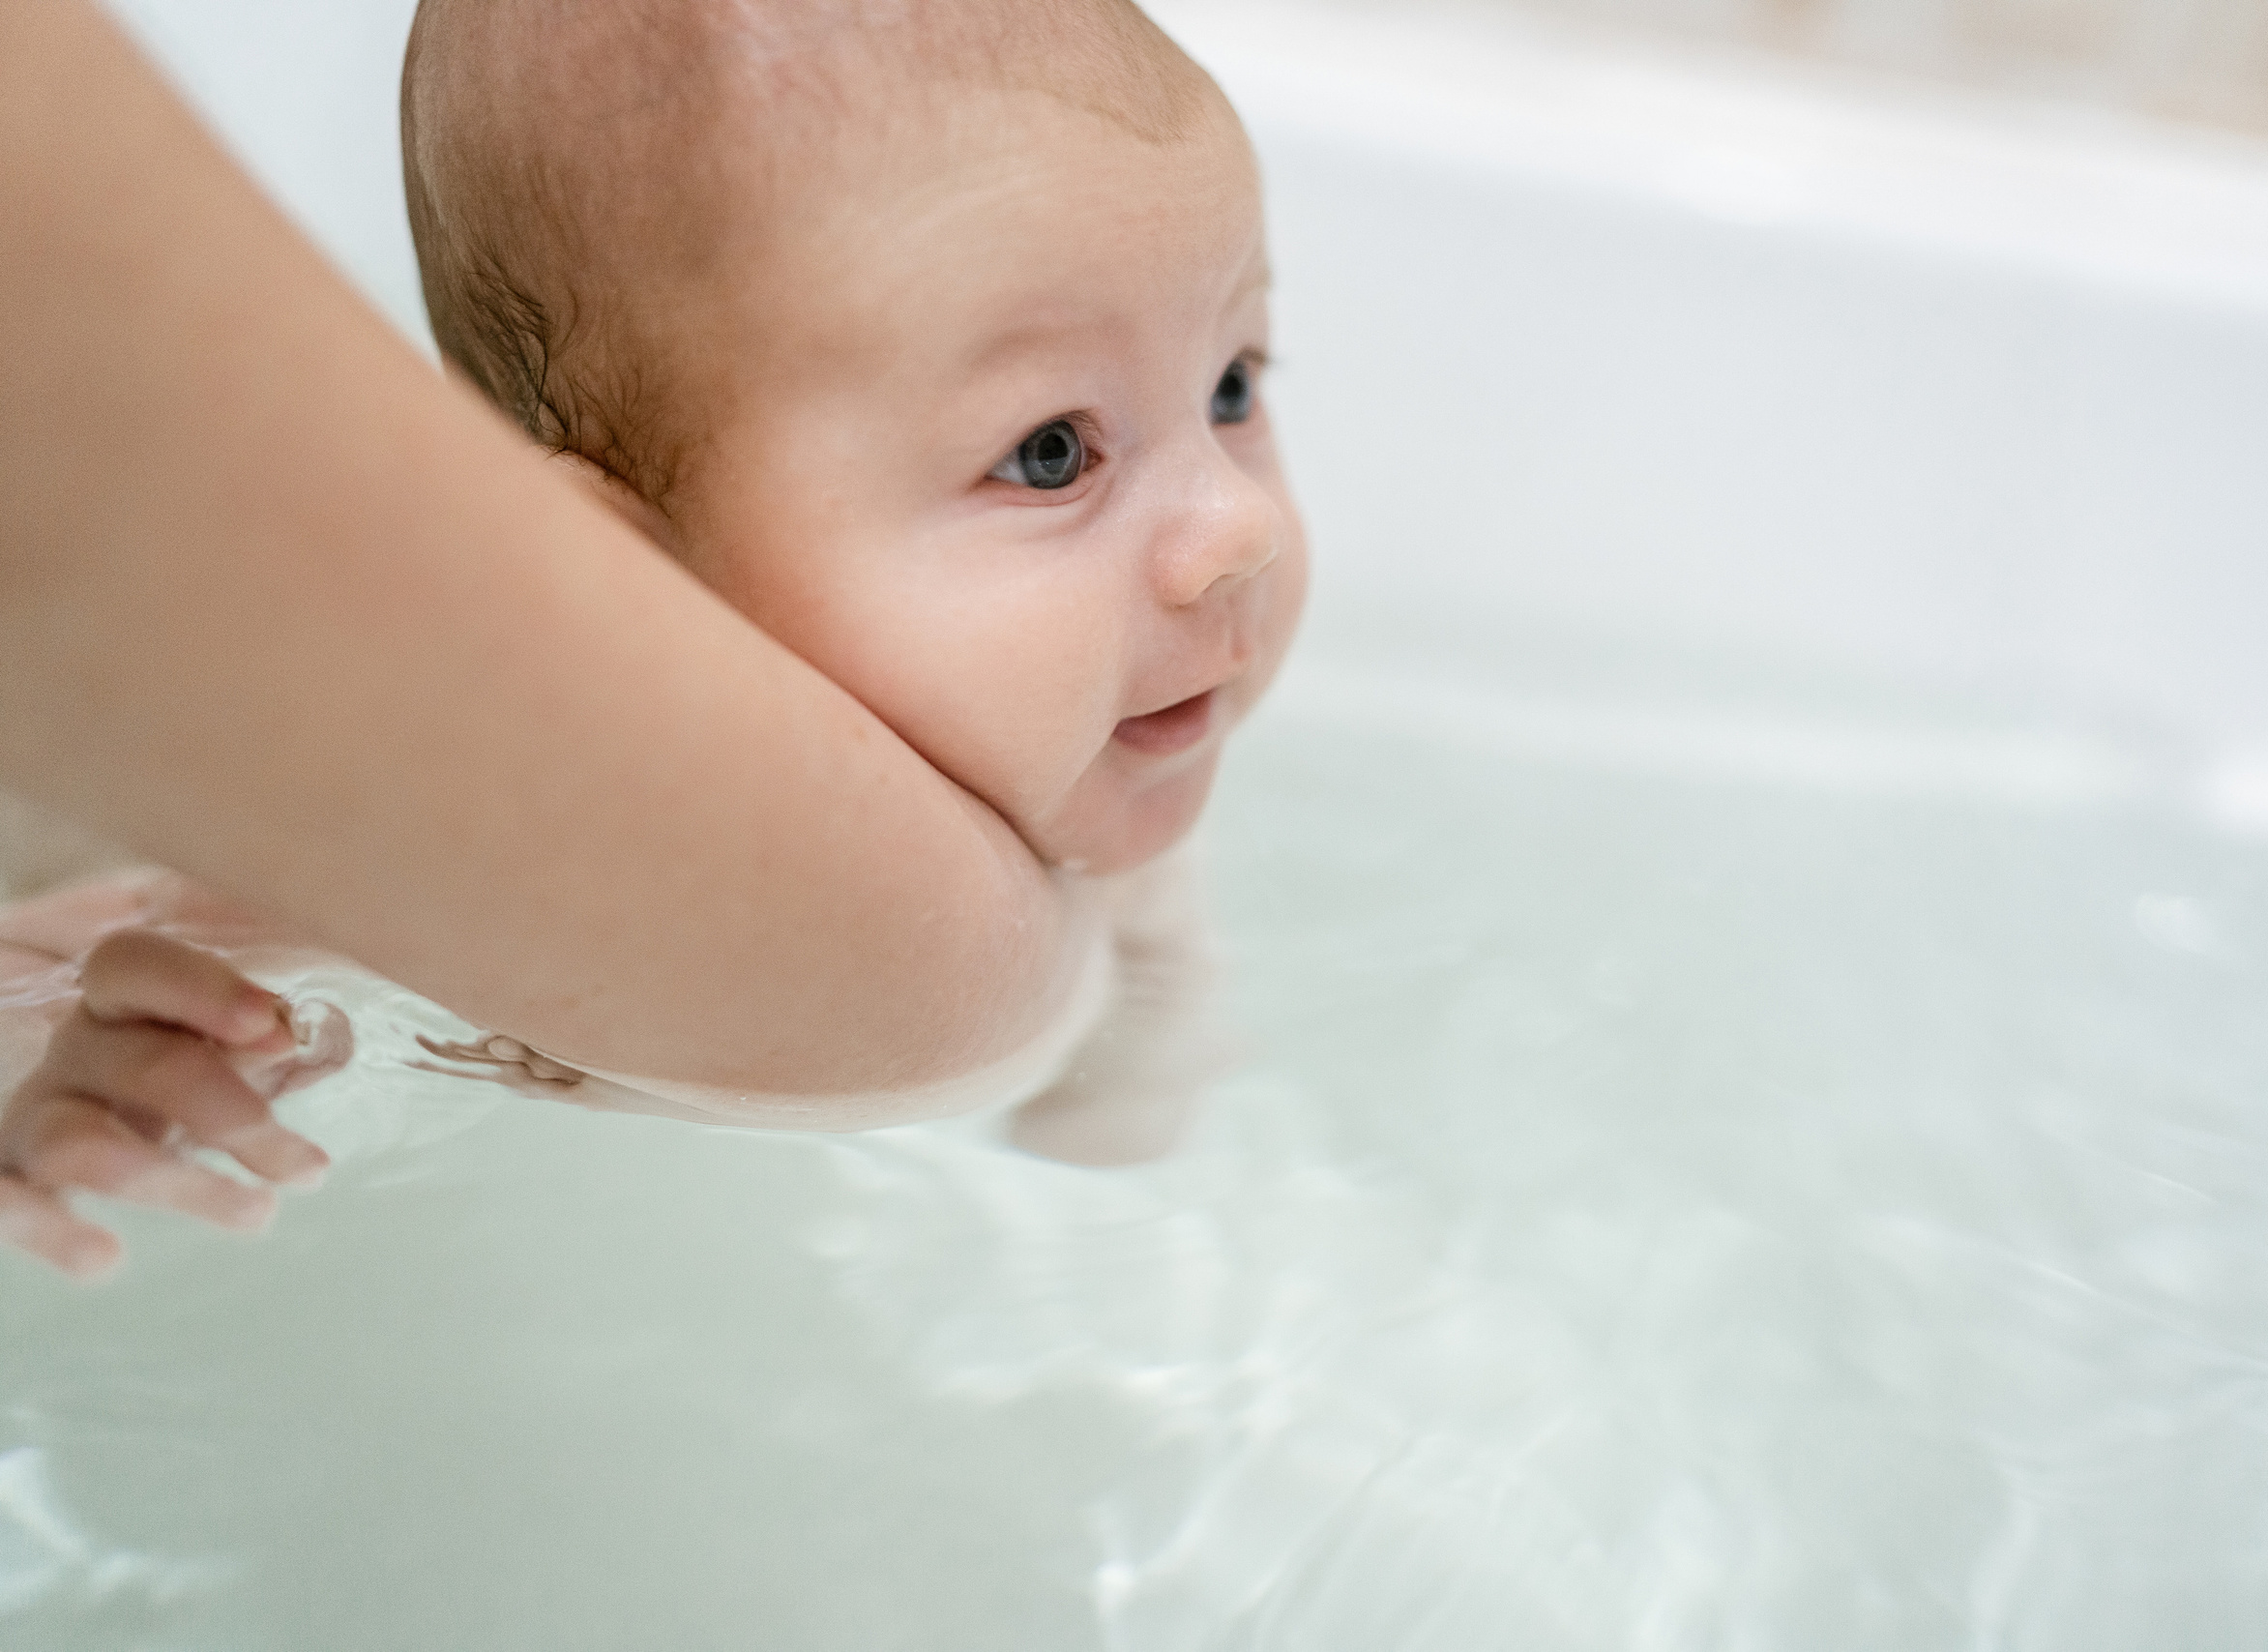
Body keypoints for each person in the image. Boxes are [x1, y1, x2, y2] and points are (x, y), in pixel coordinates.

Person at [0, 0, 1307, 1277]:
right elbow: (59, 955)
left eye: (1234, 386)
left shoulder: (1101, 784)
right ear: (620, 573)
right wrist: (72, 1062)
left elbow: (1147, 1046)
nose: (1239, 524)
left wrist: (1114, 1160)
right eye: (1049, 453)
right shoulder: (336, 862)